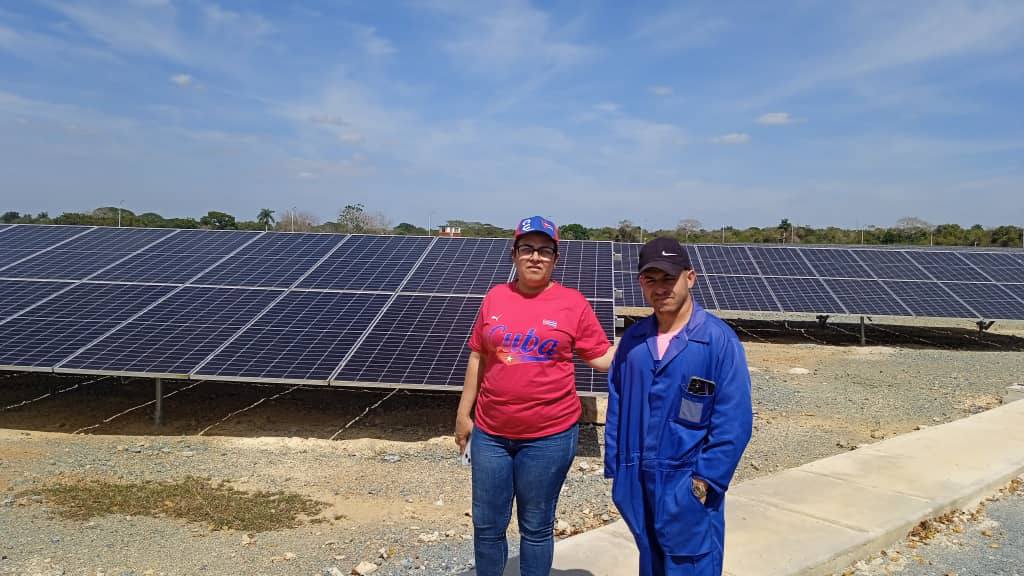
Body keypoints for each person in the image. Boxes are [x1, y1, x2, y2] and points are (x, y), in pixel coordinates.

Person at [455, 215, 615, 576]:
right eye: (527, 248)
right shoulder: (495, 297)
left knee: (537, 527)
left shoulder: (572, 304)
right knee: (487, 526)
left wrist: (648, 344)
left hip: (549, 437)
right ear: (514, 255)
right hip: (491, 435)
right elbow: (478, 355)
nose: (535, 257)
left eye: (545, 251)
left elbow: (600, 356)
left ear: (555, 259)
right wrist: (464, 414)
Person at [604, 237, 753, 576]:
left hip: (687, 484)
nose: (660, 288)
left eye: (669, 278)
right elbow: (617, 406)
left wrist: (705, 481)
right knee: (651, 563)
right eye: (650, 279)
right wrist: (618, 472)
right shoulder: (634, 342)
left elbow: (734, 422)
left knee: (692, 565)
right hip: (637, 481)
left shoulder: (717, 341)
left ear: (690, 277)